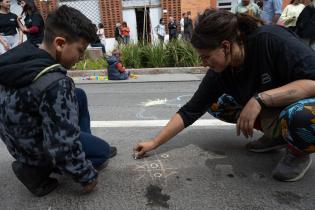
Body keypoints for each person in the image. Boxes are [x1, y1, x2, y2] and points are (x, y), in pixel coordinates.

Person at [134, 9, 315, 183]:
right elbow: (191, 110)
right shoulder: (220, 72)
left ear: (225, 46)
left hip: (301, 103)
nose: (204, 63)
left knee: (304, 116)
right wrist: (154, 142)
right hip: (277, 109)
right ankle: (278, 137)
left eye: (206, 57)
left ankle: (298, 153)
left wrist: (260, 99)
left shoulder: (270, 39)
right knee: (217, 104)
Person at [0, 5, 117, 197]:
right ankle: (35, 172)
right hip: (34, 150)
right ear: (60, 43)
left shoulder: (23, 52)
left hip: (15, 138)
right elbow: (62, 146)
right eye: (80, 50)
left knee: (79, 95)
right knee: (102, 153)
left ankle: (79, 147)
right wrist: (86, 176)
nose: (80, 58)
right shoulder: (56, 83)